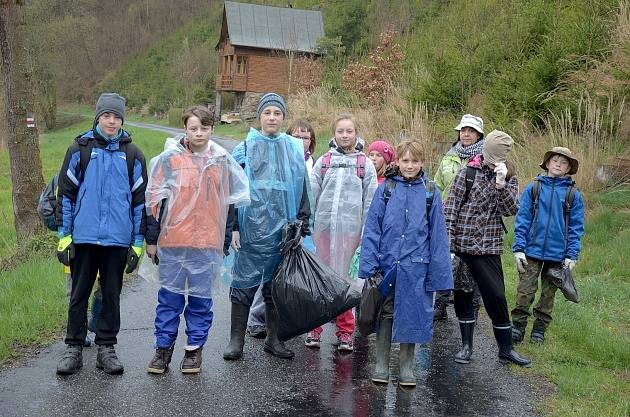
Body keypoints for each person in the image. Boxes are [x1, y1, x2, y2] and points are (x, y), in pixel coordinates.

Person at [144, 106, 250, 374]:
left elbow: (230, 203)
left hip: (207, 244)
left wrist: (225, 241)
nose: (199, 133)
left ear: (212, 129)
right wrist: (152, 239)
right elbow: (154, 202)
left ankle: (194, 351)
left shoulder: (222, 161)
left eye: (204, 128)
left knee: (201, 300)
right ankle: (162, 350)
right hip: (173, 242)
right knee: (169, 299)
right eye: (193, 128)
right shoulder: (169, 160)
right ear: (185, 129)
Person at [55, 93, 147, 375]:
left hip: (117, 241)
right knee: (79, 294)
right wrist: (65, 236)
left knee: (110, 296)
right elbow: (66, 196)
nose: (112, 121)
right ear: (98, 117)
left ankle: (106, 347)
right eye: (107, 116)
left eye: (117, 117)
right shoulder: (78, 150)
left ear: (122, 120)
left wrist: (138, 243)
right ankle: (73, 347)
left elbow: (140, 203)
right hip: (83, 239)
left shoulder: (133, 154)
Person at [223, 93, 311, 361]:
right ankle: (236, 340)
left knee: (276, 288)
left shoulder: (294, 149)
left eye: (277, 113)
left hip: (282, 232)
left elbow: (303, 189)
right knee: (243, 285)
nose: (272, 117)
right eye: (267, 112)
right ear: (259, 116)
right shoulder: (245, 148)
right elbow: (231, 192)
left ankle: (274, 339)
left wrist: (303, 224)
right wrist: (234, 227)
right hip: (250, 229)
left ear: (283, 117)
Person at [359, 140, 453, 387]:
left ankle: (407, 367)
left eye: (415, 161)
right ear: (397, 162)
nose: (409, 166)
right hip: (387, 265)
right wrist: (369, 265)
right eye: (405, 161)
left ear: (422, 163)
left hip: (417, 267)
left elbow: (438, 236)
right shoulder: (386, 189)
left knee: (413, 315)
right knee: (386, 313)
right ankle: (381, 364)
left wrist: (439, 276)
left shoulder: (431, 192)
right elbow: (372, 228)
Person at [444, 130, 531, 367]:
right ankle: (466, 346)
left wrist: (501, 184)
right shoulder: (467, 173)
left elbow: (511, 210)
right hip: (462, 245)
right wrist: (449, 246)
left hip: (489, 246)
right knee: (464, 296)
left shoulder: (509, 175)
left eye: (499, 157)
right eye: (492, 156)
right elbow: (450, 209)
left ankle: (506, 349)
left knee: (497, 296)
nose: (494, 161)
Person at [305, 114, 378, 352]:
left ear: (356, 133)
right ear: (333, 134)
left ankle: (345, 333)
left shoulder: (365, 164)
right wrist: (307, 226)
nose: (345, 136)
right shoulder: (324, 162)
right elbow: (311, 196)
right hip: (324, 232)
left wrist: (367, 233)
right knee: (320, 279)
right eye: (340, 131)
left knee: (347, 283)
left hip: (351, 235)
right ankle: (314, 328)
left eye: (349, 131)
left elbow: (371, 203)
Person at [245, 118, 317, 339]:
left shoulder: (312, 161)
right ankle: (256, 319)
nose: (301, 141)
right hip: (268, 224)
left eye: (305, 137)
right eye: (296, 136)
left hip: (293, 227)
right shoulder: (268, 153)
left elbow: (307, 196)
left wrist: (304, 227)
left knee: (287, 277)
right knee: (264, 277)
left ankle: (281, 325)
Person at [510, 147, 584, 344]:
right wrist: (518, 248)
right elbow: (523, 218)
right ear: (547, 163)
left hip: (557, 256)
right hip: (531, 251)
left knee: (547, 296)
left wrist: (571, 255)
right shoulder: (534, 188)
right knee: (525, 292)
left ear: (569, 168)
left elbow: (576, 227)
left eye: (564, 162)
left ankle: (539, 331)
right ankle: (517, 327)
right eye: (555, 160)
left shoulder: (573, 194)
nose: (558, 164)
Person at [433, 114, 485, 320]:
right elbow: (437, 185)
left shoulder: (486, 159)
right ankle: (441, 304)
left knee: (474, 263)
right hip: (448, 215)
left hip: (475, 219)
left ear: (479, 135)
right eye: (463, 130)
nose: (466, 134)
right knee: (446, 259)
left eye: (471, 131)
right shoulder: (449, 156)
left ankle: (473, 305)